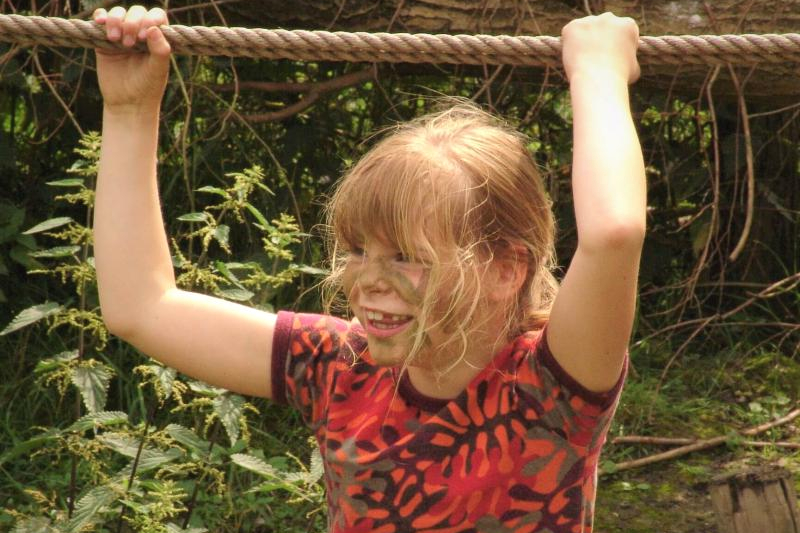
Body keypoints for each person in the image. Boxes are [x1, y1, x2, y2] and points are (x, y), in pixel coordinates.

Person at [93, 5, 645, 533]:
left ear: (505, 270)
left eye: (407, 256)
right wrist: (128, 112)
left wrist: (597, 70)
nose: (369, 281)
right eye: (358, 250)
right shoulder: (338, 366)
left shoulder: (554, 387)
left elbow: (613, 233)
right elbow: (142, 307)